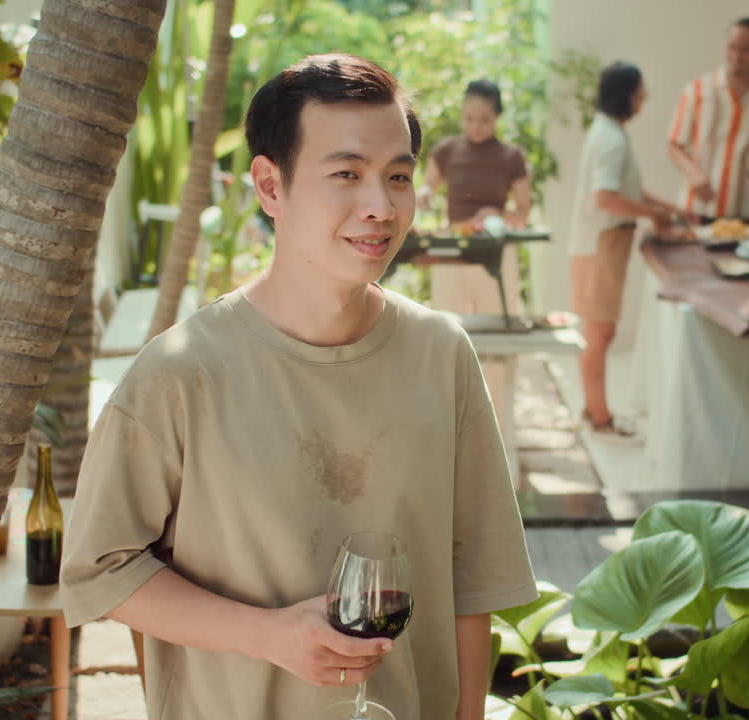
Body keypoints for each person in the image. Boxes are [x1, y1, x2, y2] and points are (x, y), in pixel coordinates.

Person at [59, 54, 538, 720]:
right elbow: (99, 571)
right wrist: (268, 635)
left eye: (397, 177)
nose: (380, 206)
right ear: (269, 186)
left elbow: (473, 577)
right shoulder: (180, 373)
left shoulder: (441, 354)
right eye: (346, 174)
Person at [569, 61, 686, 435]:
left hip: (604, 242)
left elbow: (624, 191)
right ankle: (599, 415)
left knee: (599, 331)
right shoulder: (611, 139)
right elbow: (605, 197)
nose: (646, 97)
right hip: (603, 242)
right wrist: (655, 213)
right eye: (640, 91)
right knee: (599, 333)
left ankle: (595, 409)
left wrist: (667, 208)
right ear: (627, 96)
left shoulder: (609, 132)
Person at [419, 79, 532, 434]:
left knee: (496, 334)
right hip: (454, 251)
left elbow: (523, 212)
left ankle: (494, 424)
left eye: (483, 118)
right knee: (447, 331)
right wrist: (422, 194)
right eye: (469, 118)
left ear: (497, 116)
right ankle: (448, 423)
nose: (475, 126)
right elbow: (427, 187)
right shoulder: (446, 150)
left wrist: (496, 216)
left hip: (495, 252)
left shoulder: (511, 157)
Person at [667, 17, 749, 222]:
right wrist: (693, 173)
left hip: (745, 217)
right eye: (731, 47)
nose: (736, 57)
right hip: (694, 213)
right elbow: (674, 145)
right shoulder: (697, 90)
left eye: (746, 50)